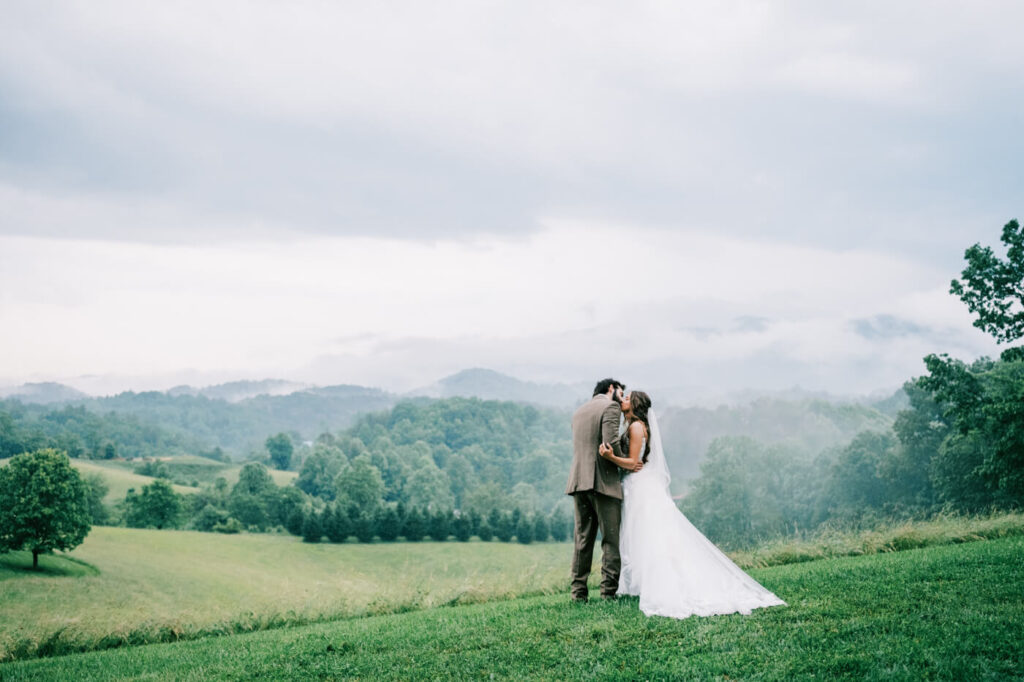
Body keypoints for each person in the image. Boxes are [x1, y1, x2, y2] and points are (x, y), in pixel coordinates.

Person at [598, 391, 785, 619]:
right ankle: (647, 581)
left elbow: (634, 462)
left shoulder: (636, 427)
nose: (623, 399)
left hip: (641, 487)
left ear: (635, 404)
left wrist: (610, 458)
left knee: (651, 536)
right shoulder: (633, 425)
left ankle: (665, 584)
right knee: (645, 535)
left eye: (627, 397)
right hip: (637, 486)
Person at [565, 378, 643, 602]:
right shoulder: (610, 407)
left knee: (582, 540)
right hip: (603, 482)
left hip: (579, 482)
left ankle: (578, 593)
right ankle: (608, 593)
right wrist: (626, 459)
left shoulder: (579, 411)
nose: (622, 396)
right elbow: (610, 443)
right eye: (621, 391)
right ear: (611, 389)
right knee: (610, 540)